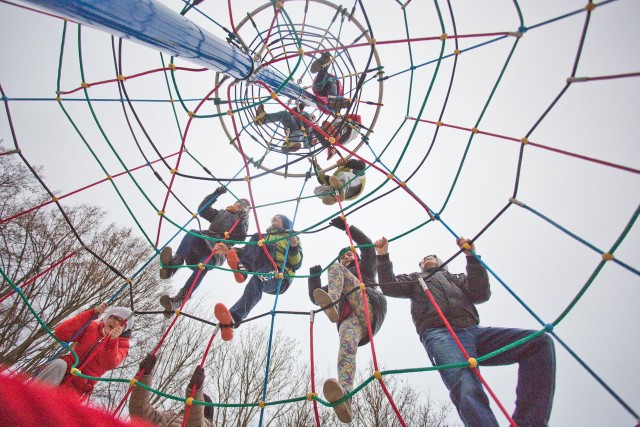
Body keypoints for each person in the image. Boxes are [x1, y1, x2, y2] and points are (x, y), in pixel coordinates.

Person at [374, 236, 556, 427]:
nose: (425, 258)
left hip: (472, 330)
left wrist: (471, 256)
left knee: (538, 342)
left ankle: (528, 422)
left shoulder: (457, 279)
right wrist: (383, 255)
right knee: (465, 383)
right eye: (422, 260)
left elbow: (481, 293)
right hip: (440, 333)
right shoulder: (416, 280)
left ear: (442, 263)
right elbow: (388, 285)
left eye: (431, 256)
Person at [308, 219, 387, 423]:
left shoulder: (365, 267)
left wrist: (347, 228)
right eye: (343, 257)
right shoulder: (337, 280)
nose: (345, 258)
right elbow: (315, 297)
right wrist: (314, 278)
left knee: (335, 270)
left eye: (349, 254)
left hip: (367, 305)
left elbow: (368, 245)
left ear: (356, 257)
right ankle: (345, 397)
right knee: (346, 349)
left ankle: (333, 305)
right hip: (350, 321)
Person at [159, 186, 250, 318]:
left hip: (218, 248)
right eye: (239, 202)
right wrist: (215, 194)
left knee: (204, 265)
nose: (240, 205)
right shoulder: (221, 213)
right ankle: (174, 265)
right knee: (193, 233)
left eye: (244, 205)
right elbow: (203, 210)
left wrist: (241, 219)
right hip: (205, 240)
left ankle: (180, 298)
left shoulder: (242, 220)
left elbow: (241, 238)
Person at [213, 214, 303, 341]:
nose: (274, 218)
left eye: (278, 217)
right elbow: (248, 251)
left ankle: (234, 318)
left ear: (286, 223)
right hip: (264, 265)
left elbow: (296, 264)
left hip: (280, 273)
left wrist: (293, 246)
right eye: (274, 216)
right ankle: (243, 269)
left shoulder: (291, 237)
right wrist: (228, 251)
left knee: (258, 280)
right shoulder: (265, 237)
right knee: (257, 237)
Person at [34, 302, 133, 400]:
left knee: (59, 405)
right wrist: (91, 314)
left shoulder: (122, 345)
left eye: (121, 322)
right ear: (107, 318)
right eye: (114, 318)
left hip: (80, 384)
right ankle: (31, 396)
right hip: (65, 368)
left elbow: (108, 364)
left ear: (124, 329)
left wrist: (111, 341)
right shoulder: (92, 327)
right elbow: (61, 333)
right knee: (59, 364)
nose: (116, 322)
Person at [129, 354, 213, 427]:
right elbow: (140, 415)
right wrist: (144, 376)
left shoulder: (205, 425)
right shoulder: (167, 417)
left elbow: (195, 423)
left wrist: (195, 393)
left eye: (200, 402)